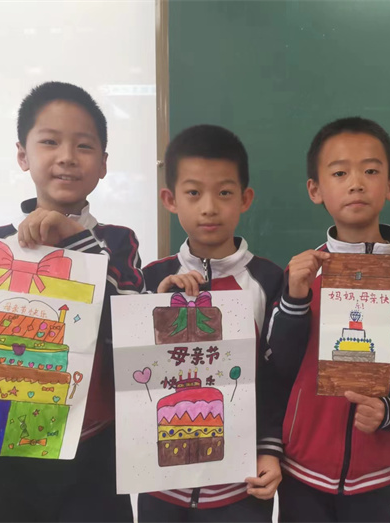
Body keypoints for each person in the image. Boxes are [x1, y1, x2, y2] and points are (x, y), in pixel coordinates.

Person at [0, 81, 143, 522]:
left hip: (92, 451)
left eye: (84, 145)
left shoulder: (117, 244)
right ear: (23, 155)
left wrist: (79, 242)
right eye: (50, 142)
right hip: (3, 455)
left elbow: (131, 333)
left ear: (103, 164)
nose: (67, 156)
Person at [264, 116, 390, 522]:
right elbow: (279, 365)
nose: (356, 183)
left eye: (371, 171)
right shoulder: (301, 274)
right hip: (302, 470)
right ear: (315, 189)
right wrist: (295, 298)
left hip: (375, 475)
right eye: (340, 173)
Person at [137, 124, 285, 522]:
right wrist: (157, 310)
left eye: (224, 193)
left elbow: (279, 376)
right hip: (161, 485)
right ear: (170, 199)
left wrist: (270, 449)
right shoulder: (151, 280)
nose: (209, 207)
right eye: (193, 193)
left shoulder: (270, 281)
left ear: (245, 198)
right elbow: (133, 376)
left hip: (241, 486)